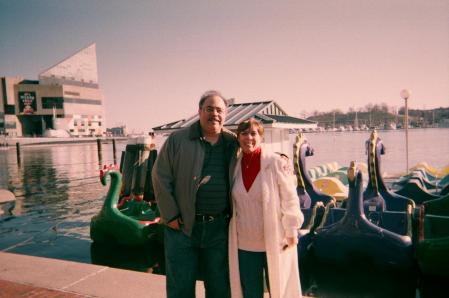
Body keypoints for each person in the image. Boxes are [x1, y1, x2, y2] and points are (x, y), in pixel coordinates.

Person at [152, 90, 238, 298]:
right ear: (199, 111)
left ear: (225, 115)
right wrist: (170, 215)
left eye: (219, 110)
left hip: (219, 229)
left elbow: (257, 154)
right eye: (209, 109)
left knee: (219, 288)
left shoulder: (232, 142)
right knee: (180, 287)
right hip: (182, 229)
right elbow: (160, 176)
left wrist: (281, 159)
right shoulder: (178, 140)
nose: (214, 114)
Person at [228, 118, 304, 298]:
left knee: (279, 290)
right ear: (238, 137)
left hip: (275, 240)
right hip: (244, 244)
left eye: (253, 133)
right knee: (250, 293)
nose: (249, 138)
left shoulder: (275, 161)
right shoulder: (234, 166)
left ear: (261, 137)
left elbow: (290, 198)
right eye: (244, 133)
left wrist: (292, 228)